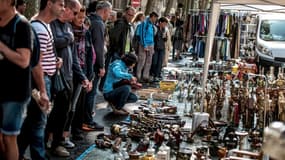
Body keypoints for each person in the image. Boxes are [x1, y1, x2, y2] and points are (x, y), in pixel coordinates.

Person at [17, 0, 65, 159]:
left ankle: (17, 153)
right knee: (38, 124)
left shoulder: (45, 25)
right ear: (49, 4)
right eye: (61, 4)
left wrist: (54, 61)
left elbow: (42, 57)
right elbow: (35, 63)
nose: (63, 8)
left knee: (31, 123)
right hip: (41, 81)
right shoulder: (39, 28)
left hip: (43, 80)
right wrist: (43, 90)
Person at [47, 0, 90, 157]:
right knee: (51, 113)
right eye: (75, 12)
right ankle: (50, 142)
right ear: (66, 10)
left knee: (63, 112)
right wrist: (68, 38)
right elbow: (53, 43)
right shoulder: (53, 24)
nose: (76, 16)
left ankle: (56, 142)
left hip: (68, 76)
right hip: (54, 76)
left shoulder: (67, 27)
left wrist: (82, 77)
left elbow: (73, 58)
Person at [0, 0, 32, 159]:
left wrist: (2, 47)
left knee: (9, 137)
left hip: (15, 93)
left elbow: (24, 60)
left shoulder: (21, 25)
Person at [84, 1, 112, 131]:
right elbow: (99, 46)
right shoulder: (99, 23)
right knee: (91, 92)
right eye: (109, 12)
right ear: (105, 11)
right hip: (94, 63)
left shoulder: (89, 19)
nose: (109, 15)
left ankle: (85, 117)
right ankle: (87, 120)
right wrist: (101, 66)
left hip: (87, 61)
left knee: (87, 92)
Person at [71, 6, 95, 140]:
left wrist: (89, 75)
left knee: (80, 103)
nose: (81, 20)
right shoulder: (69, 30)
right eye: (79, 17)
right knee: (70, 104)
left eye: (83, 18)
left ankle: (76, 129)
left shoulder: (86, 32)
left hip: (83, 70)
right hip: (72, 70)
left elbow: (90, 54)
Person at [135, 11, 158, 82]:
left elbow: (152, 36)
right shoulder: (144, 23)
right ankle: (138, 76)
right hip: (144, 44)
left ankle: (145, 76)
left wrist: (152, 46)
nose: (156, 19)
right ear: (152, 17)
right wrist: (144, 45)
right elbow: (142, 35)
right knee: (141, 61)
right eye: (155, 18)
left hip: (151, 44)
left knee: (149, 61)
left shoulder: (152, 25)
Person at [151, 17, 168, 82]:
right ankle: (153, 74)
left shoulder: (164, 29)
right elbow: (153, 37)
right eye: (164, 23)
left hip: (162, 48)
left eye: (166, 24)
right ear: (160, 22)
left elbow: (165, 39)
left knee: (160, 62)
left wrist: (165, 38)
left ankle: (157, 75)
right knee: (154, 62)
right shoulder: (155, 28)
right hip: (155, 47)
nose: (165, 25)